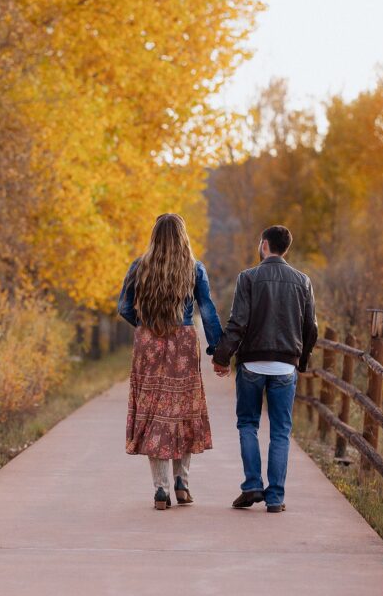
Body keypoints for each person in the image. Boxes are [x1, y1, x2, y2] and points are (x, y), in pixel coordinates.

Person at [118, 213, 222, 510]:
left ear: (154, 236)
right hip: (183, 343)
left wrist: (144, 325)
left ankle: (161, 489)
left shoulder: (140, 266)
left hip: (149, 341)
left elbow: (124, 307)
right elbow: (209, 311)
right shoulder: (194, 268)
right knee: (182, 411)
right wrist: (218, 348)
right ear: (183, 236)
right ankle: (182, 484)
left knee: (153, 412)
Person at [210, 225, 317, 514]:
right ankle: (275, 498)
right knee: (281, 431)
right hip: (285, 367)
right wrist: (301, 362)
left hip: (252, 365)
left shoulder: (248, 278)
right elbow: (311, 328)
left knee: (248, 424)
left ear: (265, 244)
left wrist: (221, 357)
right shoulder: (302, 281)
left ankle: (252, 485)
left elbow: (238, 323)